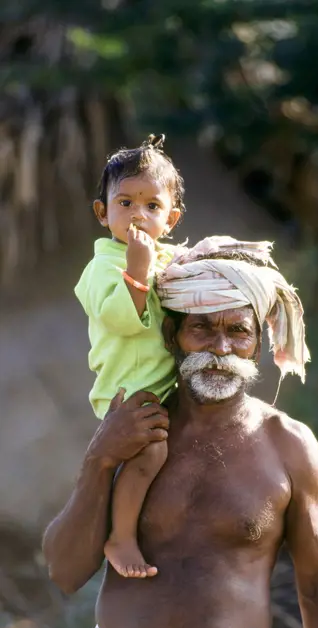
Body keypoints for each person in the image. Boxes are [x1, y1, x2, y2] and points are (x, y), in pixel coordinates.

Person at [43, 238, 318, 628]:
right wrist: (99, 458)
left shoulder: (289, 446)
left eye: (238, 331)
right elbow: (64, 571)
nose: (220, 348)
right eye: (202, 329)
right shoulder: (132, 432)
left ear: (258, 345)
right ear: (174, 338)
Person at [74, 133, 184, 579]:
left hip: (167, 387)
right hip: (128, 394)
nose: (138, 214)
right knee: (151, 453)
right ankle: (120, 535)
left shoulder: (169, 257)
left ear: (171, 219)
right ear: (103, 213)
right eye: (125, 203)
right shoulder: (101, 267)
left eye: (152, 207)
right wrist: (137, 272)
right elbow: (118, 318)